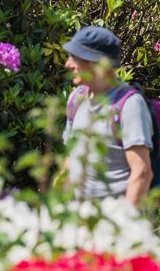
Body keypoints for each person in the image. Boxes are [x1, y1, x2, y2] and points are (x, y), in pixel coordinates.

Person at [62, 26, 154, 205]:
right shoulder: (76, 98)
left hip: (110, 224)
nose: (68, 64)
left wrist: (122, 225)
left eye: (75, 57)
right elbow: (70, 160)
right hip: (76, 221)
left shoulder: (130, 105)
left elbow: (142, 172)